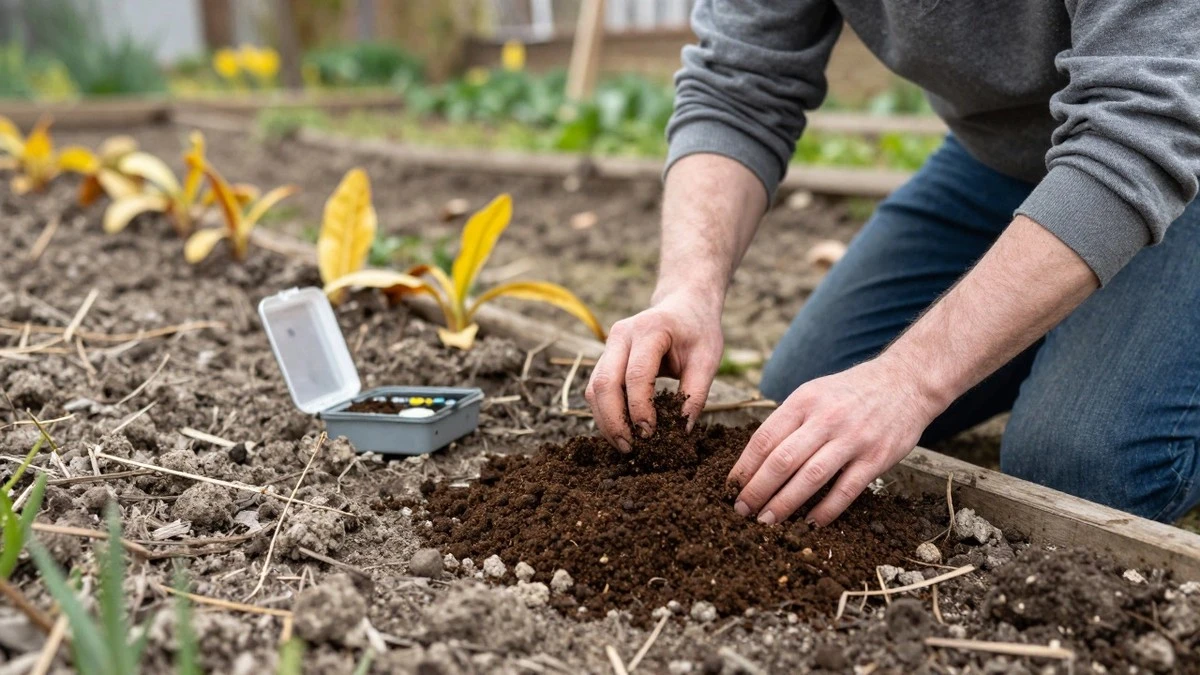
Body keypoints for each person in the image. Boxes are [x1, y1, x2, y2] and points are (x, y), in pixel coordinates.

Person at [584, 1, 1200, 526]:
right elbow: (737, 88)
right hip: (1005, 160)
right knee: (798, 416)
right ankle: (1067, 318)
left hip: (1173, 142)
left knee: (1083, 471)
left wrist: (911, 378)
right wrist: (687, 290)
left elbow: (1143, 123)